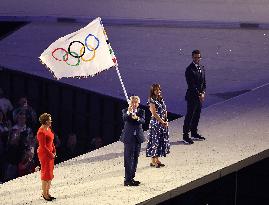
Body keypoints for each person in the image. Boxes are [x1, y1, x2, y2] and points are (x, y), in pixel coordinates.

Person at [182, 50, 206, 144]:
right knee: (190, 116)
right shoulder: (189, 69)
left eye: (198, 57)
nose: (197, 59)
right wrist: (199, 94)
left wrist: (203, 92)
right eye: (195, 57)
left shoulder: (202, 68)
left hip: (199, 96)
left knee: (197, 115)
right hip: (192, 96)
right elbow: (191, 85)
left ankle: (194, 133)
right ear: (192, 57)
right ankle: (185, 136)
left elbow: (204, 82)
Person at [120, 96, 145, 186]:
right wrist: (129, 112)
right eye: (132, 102)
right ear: (130, 103)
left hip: (137, 138)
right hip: (129, 138)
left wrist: (137, 118)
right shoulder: (125, 111)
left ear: (138, 103)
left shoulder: (141, 111)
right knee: (128, 159)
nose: (134, 104)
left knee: (135, 158)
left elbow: (142, 121)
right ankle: (127, 179)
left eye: (136, 102)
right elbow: (125, 118)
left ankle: (132, 178)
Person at [146, 84, 170, 168]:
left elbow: (165, 110)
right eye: (156, 90)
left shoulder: (160, 98)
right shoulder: (151, 100)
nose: (158, 91)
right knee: (154, 141)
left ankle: (156, 159)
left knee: (160, 140)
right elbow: (154, 113)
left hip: (163, 122)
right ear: (153, 91)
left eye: (159, 90)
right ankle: (153, 160)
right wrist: (162, 121)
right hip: (156, 123)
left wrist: (166, 120)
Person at [37, 113, 56, 201]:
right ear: (45, 121)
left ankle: (47, 192)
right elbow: (43, 146)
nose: (50, 121)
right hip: (45, 154)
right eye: (49, 120)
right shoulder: (41, 132)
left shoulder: (48, 129)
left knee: (50, 173)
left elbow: (51, 141)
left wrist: (54, 150)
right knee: (46, 174)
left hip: (50, 153)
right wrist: (51, 154)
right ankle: (44, 194)